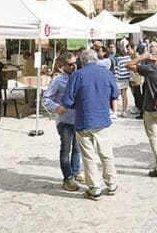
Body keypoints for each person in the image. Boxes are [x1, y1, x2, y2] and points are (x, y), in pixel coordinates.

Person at [60, 49, 119, 200]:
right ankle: (112, 184)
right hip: (102, 120)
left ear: (83, 61)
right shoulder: (106, 73)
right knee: (106, 154)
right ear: (96, 59)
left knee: (88, 156)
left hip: (84, 120)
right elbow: (115, 94)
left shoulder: (77, 75)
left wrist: (77, 104)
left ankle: (94, 189)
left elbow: (67, 101)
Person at [125, 47, 157, 178]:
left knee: (153, 137)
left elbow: (128, 65)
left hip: (150, 106)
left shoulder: (149, 69)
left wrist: (143, 57)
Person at [43, 52, 82, 191]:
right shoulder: (58, 80)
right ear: (63, 66)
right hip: (65, 121)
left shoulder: (79, 77)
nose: (74, 66)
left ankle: (75, 172)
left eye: (75, 63)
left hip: (78, 119)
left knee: (77, 149)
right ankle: (67, 178)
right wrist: (56, 107)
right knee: (66, 150)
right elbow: (46, 99)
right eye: (70, 64)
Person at [113, 43, 131, 118]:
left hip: (118, 79)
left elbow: (116, 70)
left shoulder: (117, 59)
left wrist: (115, 79)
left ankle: (115, 112)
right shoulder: (128, 58)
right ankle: (124, 111)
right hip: (126, 78)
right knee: (124, 95)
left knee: (115, 96)